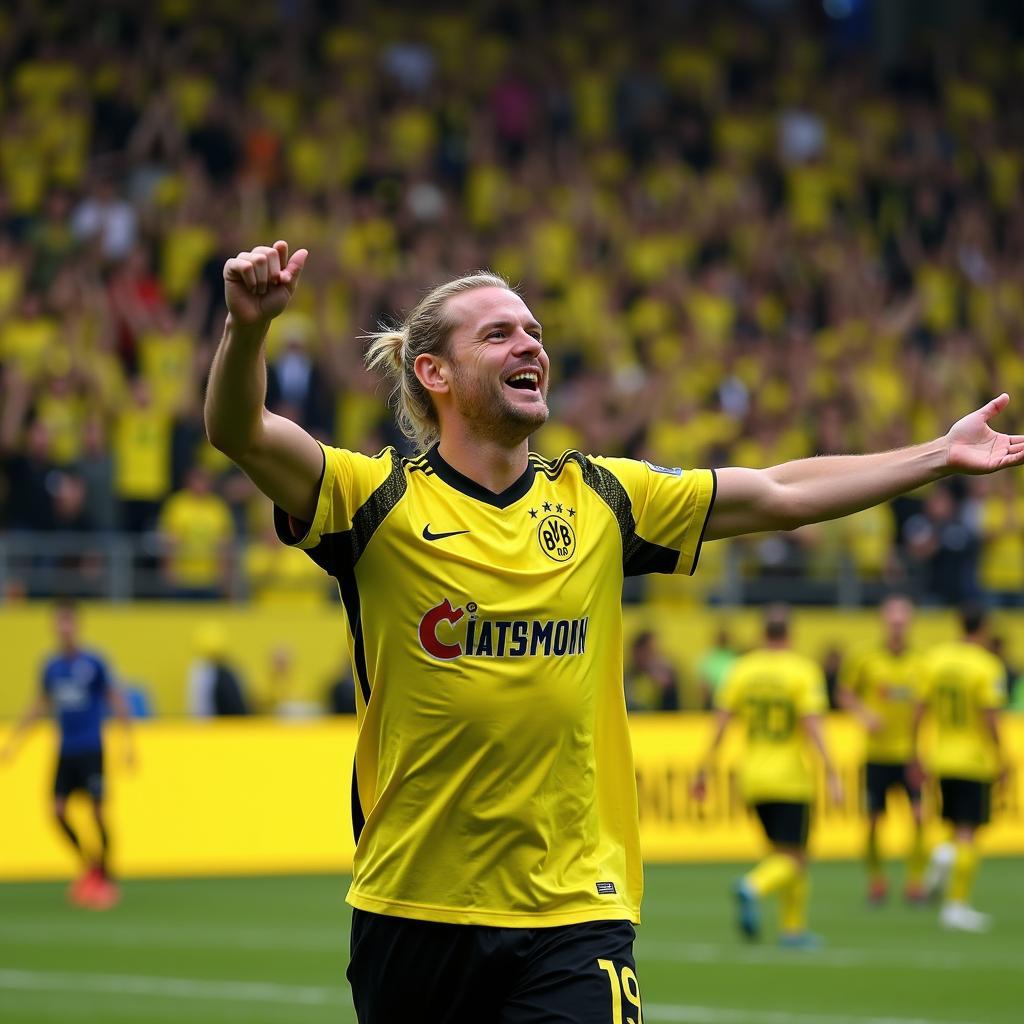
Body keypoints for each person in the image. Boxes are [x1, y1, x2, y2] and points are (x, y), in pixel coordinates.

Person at [204, 239, 1024, 1022]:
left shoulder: (603, 499)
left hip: (577, 909)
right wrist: (248, 329)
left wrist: (938, 456)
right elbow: (241, 432)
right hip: (413, 907)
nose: (530, 344)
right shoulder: (373, 499)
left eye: (534, 330)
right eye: (499, 333)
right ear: (435, 373)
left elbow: (777, 491)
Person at [693, 605, 841, 948]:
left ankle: (792, 930)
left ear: (763, 633)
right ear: (790, 633)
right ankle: (753, 887)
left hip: (753, 776)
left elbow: (721, 725)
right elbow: (813, 726)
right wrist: (832, 772)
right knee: (796, 857)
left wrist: (703, 770)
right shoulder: (802, 671)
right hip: (790, 777)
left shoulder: (742, 670)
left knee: (782, 853)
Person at [0, 599, 133, 908]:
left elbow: (116, 699)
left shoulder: (94, 663)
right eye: (59, 622)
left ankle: (107, 876)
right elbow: (38, 706)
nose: (64, 628)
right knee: (57, 811)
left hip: (91, 749)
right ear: (54, 627)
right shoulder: (51, 667)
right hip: (66, 750)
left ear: (77, 625)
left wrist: (128, 744)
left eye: (68, 622)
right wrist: (14, 743)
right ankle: (90, 866)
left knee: (97, 812)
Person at [913, 604, 1008, 932]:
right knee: (970, 832)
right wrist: (1002, 755)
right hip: (973, 759)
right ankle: (956, 905)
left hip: (941, 756)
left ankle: (943, 854)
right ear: (984, 627)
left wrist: (915, 752)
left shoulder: (935, 660)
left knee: (956, 825)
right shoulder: (987, 666)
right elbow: (990, 717)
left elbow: (919, 709)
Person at [838, 594, 928, 904]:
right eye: (893, 621)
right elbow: (844, 694)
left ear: (910, 624)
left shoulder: (920, 662)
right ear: (883, 622)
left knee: (918, 817)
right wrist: (864, 714)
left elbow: (926, 706)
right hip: (876, 754)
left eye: (902, 622)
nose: (897, 627)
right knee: (874, 821)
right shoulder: (865, 658)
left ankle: (915, 882)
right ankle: (877, 880)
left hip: (908, 754)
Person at [624, 630, 680, 711]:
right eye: (649, 650)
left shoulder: (667, 676)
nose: (654, 654)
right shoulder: (627, 678)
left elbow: (672, 712)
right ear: (637, 651)